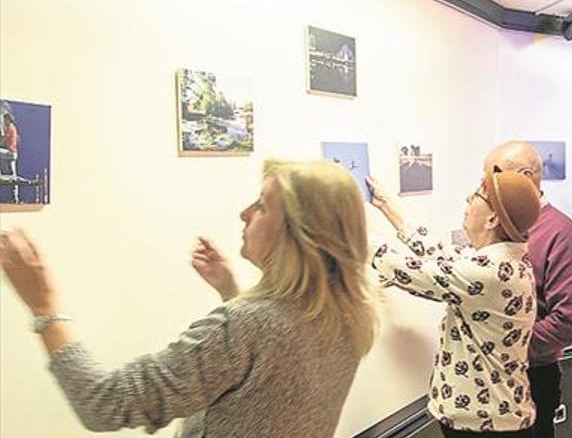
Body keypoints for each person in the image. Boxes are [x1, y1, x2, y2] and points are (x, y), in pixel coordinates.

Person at [0, 159, 378, 437]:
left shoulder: (246, 327)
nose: (244, 213)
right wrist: (231, 290)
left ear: (300, 234)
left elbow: (104, 403)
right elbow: (276, 369)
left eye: (261, 205)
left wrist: (44, 306)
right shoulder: (349, 310)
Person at [367, 168, 541, 438]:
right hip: (495, 418)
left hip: (485, 425)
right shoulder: (502, 261)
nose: (468, 199)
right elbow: (441, 256)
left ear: (492, 218)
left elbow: (413, 270)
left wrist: (344, 228)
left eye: (477, 195)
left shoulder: (489, 271)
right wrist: (389, 207)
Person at [484, 141, 572, 438]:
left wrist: (507, 348)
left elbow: (566, 322)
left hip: (531, 375)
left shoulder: (562, 235)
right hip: (491, 378)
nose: (484, 186)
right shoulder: (495, 226)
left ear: (528, 176)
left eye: (493, 175)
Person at [0, 110, 21, 202]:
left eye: (4, 120)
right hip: (13, 153)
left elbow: (3, 141)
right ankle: (15, 198)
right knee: (13, 176)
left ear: (8, 120)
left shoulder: (10, 127)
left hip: (10, 153)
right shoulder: (12, 128)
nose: (4, 122)